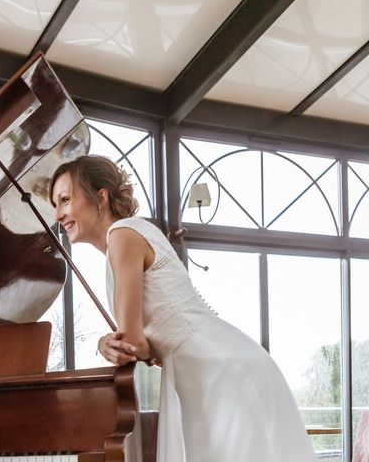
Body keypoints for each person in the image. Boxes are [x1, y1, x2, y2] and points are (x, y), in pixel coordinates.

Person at [50, 155, 316, 462]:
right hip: (214, 366)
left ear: (101, 196)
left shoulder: (122, 235)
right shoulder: (127, 236)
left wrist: (106, 343)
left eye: (65, 200)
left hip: (220, 371)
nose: (58, 214)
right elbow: (144, 347)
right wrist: (127, 345)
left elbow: (132, 343)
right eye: (55, 204)